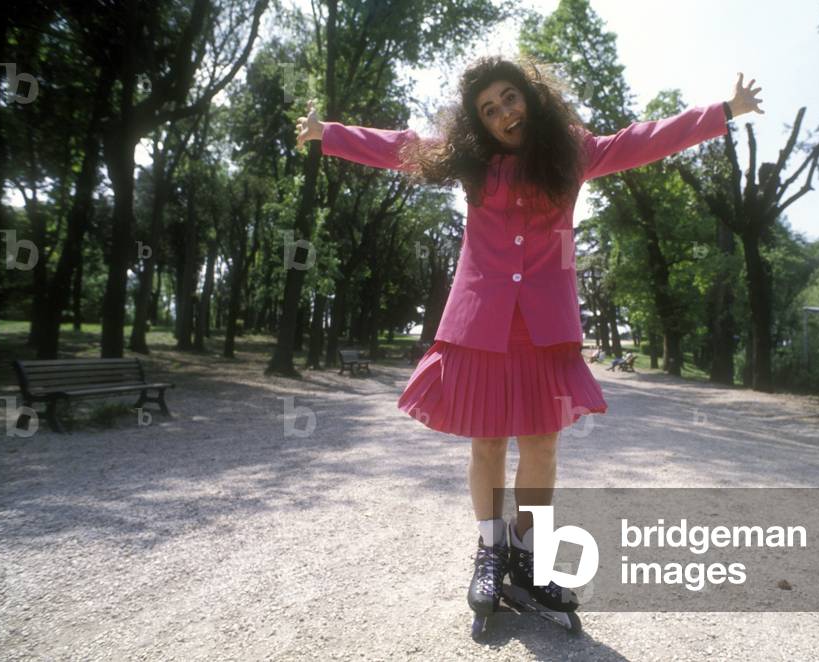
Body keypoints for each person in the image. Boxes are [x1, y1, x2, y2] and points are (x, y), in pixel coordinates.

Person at [296, 55, 763, 619]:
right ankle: (491, 552)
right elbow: (403, 145)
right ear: (480, 122)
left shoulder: (572, 153)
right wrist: (329, 135)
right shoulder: (469, 161)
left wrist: (724, 112)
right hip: (481, 321)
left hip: (545, 324)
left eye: (509, 97)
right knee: (487, 440)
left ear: (529, 95)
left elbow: (643, 139)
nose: (503, 113)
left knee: (542, 444)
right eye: (489, 109)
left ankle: (526, 554)